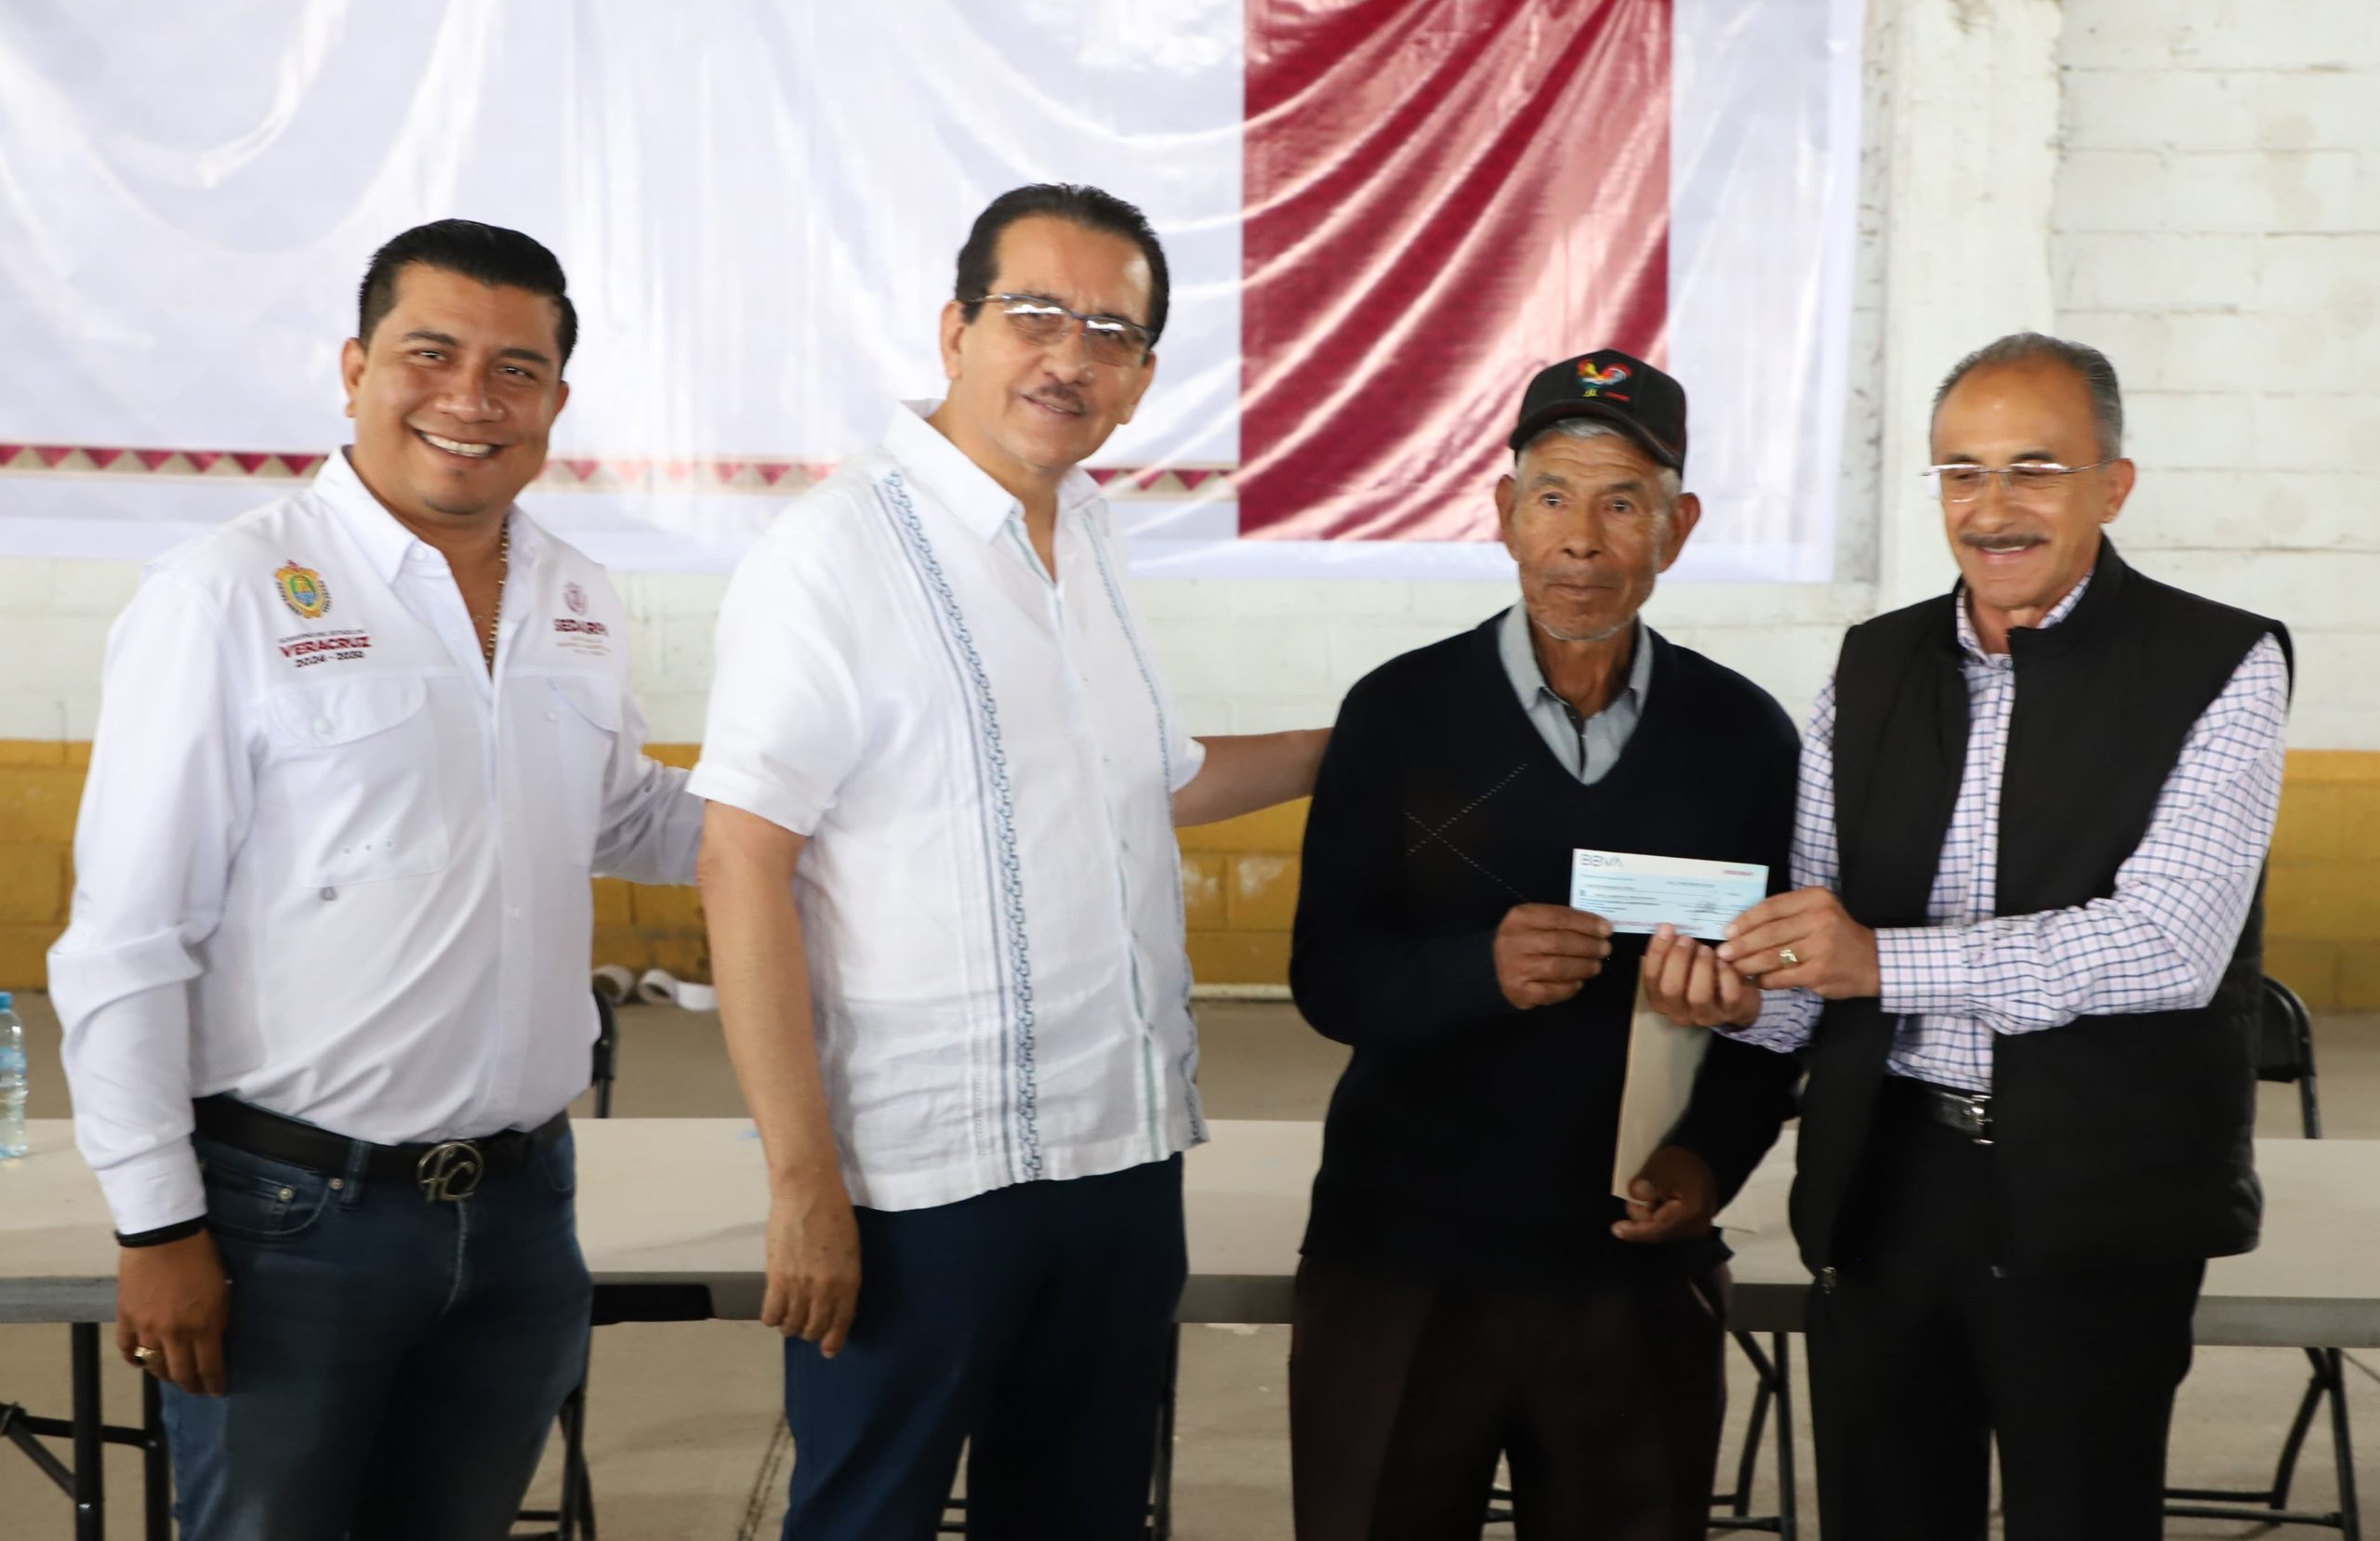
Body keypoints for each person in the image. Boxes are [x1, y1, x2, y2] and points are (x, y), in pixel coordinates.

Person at [48, 219, 705, 1541]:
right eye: (430, 354)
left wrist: (859, 822)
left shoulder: (575, 594)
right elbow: (127, 939)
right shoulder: (226, 593)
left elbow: (623, 814)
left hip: (522, 1214)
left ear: (556, 400)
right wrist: (156, 1227)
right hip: (290, 1222)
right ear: (355, 369)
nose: (472, 398)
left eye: (516, 369)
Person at [692, 182, 1329, 1541]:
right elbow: (740, 857)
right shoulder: (834, 551)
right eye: (1034, 313)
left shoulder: (1088, 534)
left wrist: (1363, 746)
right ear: (956, 330)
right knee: (866, 1520)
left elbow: (1151, 783)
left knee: (1081, 1518)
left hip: (1119, 1157)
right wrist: (801, 1180)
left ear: (1142, 378)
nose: (1068, 356)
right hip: (918, 1183)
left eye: (1110, 333)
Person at [1644, 332, 2292, 1541]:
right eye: (1961, 471)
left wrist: (1880, 961)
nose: (1992, 508)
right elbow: (1814, 948)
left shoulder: (2220, 663)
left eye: (2034, 468)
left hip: (2102, 1196)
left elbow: (2168, 945)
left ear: (2114, 484)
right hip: (1887, 1180)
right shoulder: (1872, 665)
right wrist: (1747, 1001)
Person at [1285, 349, 1804, 1541]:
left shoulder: (1744, 738)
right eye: (1553, 496)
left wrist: (1709, 1162)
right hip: (1402, 1253)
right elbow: (1328, 975)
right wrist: (1479, 969)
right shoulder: (1397, 712)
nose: (1581, 539)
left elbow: (1778, 1004)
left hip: (1631, 1262)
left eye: (1622, 503)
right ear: (1503, 513)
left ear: (1676, 528)